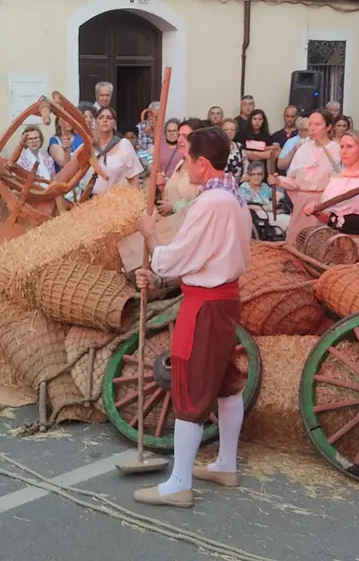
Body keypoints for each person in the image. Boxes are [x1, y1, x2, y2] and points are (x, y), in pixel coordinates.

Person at [132, 126, 251, 509]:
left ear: (203, 162)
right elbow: (205, 255)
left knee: (191, 385)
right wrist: (162, 271)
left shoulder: (211, 202)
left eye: (186, 160)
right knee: (226, 382)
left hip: (204, 304)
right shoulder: (233, 195)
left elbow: (176, 257)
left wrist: (150, 236)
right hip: (224, 297)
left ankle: (179, 484)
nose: (184, 166)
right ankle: (226, 463)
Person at [305, 130, 359, 242]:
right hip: (334, 241)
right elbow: (330, 219)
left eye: (349, 147)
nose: (344, 151)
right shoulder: (337, 179)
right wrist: (316, 213)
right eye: (342, 147)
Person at [272, 110, 340, 244]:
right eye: (310, 124)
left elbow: (340, 181)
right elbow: (295, 181)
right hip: (302, 203)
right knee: (297, 241)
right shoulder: (303, 148)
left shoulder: (336, 150)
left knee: (320, 242)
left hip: (324, 203)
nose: (312, 128)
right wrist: (279, 180)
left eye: (317, 124)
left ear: (328, 127)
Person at [85, 106, 144, 196]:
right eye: (101, 117)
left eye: (109, 118)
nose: (105, 120)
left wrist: (137, 201)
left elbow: (133, 178)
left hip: (115, 200)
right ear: (96, 122)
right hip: (91, 199)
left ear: (114, 124)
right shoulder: (89, 145)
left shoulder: (124, 144)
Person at [160, 119, 205, 215]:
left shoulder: (202, 166)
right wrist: (163, 186)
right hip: (171, 221)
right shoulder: (181, 163)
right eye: (179, 135)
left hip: (189, 221)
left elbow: (201, 202)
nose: (179, 140)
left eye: (185, 136)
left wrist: (174, 206)